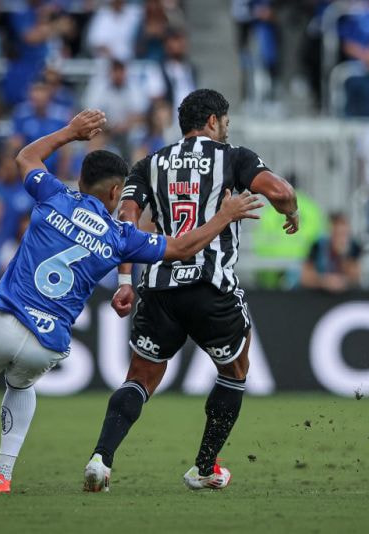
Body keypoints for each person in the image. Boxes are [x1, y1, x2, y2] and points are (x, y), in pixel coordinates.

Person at [0, 109, 262, 493]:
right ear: (116, 193)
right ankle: (1, 475)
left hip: (7, 317)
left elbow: (25, 157)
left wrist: (71, 132)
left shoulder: (53, 195)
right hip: (48, 344)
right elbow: (180, 247)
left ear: (81, 180)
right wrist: (223, 216)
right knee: (21, 386)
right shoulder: (120, 236)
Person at [85, 89, 298, 492]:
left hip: (159, 287)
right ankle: (204, 468)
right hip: (210, 286)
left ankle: (101, 459)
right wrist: (291, 210)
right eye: (225, 122)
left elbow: (126, 222)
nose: (227, 129)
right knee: (235, 370)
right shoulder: (234, 157)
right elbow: (281, 192)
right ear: (213, 121)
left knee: (140, 377)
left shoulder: (150, 163)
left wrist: (125, 280)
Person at [301, 212, 362, 291]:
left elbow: (355, 277)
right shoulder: (318, 246)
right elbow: (305, 278)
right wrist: (324, 281)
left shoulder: (354, 247)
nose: (341, 239)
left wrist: (343, 256)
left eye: (344, 234)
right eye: (337, 234)